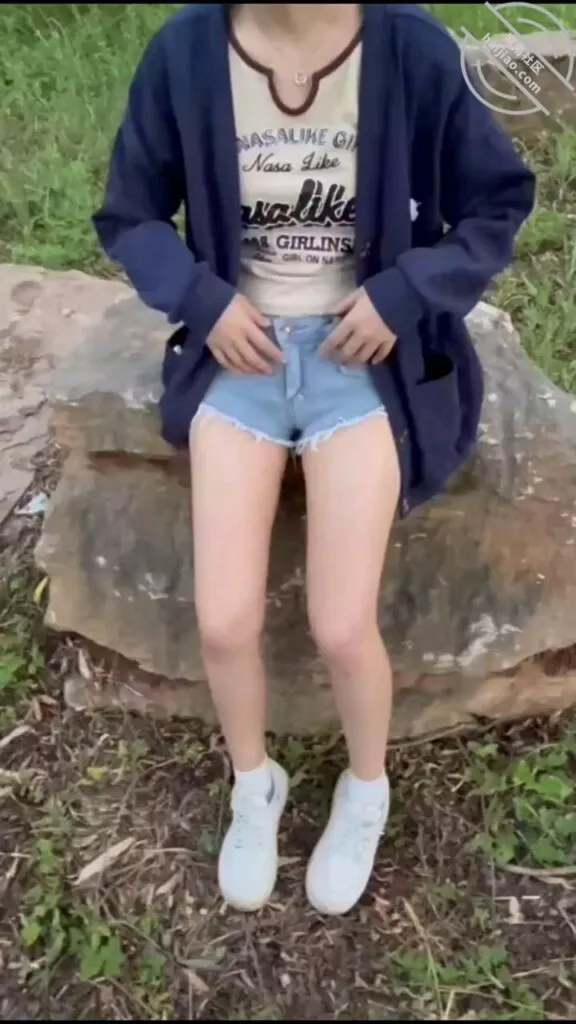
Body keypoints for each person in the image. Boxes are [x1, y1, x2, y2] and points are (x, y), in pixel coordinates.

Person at [93, 3, 535, 916]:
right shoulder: (186, 52)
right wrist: (203, 300)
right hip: (241, 359)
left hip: (361, 365)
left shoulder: (412, 50)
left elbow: (499, 200)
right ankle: (254, 783)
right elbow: (131, 214)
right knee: (223, 622)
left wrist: (407, 292)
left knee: (340, 626)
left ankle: (367, 787)